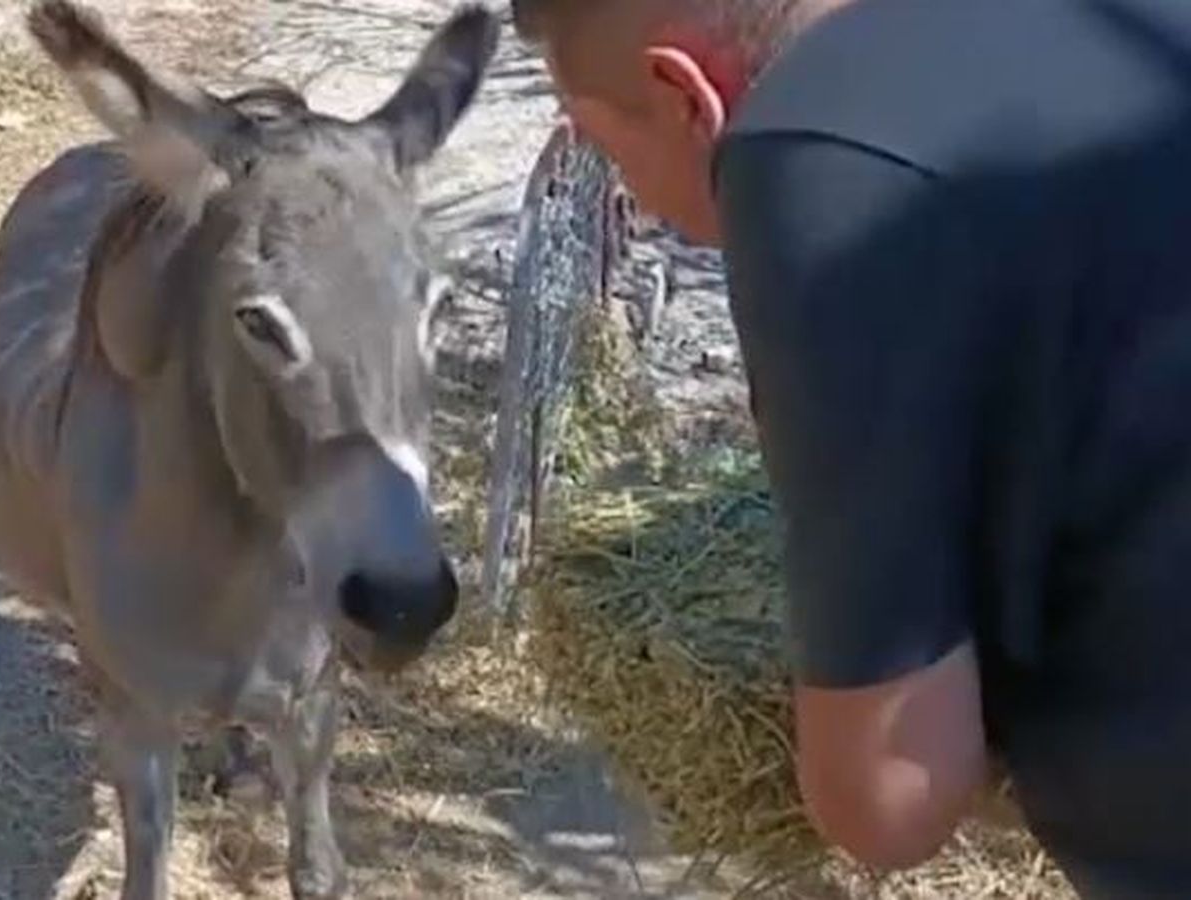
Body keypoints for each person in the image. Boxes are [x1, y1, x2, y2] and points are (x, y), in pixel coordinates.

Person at [510, 0, 1191, 896]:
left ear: (684, 94)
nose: (630, 197)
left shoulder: (809, 152)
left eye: (606, 148)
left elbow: (890, 796)